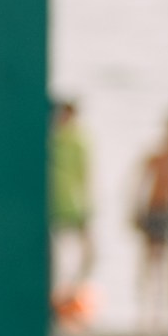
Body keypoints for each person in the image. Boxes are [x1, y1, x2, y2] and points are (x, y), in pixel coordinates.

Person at [50, 95, 96, 322]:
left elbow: (85, 174)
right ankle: (59, 295)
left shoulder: (78, 140)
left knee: (86, 254)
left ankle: (73, 292)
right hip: (54, 206)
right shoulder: (51, 139)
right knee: (58, 254)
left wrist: (89, 204)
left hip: (74, 204)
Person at [132, 121, 168, 331]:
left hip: (165, 210)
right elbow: (140, 184)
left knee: (164, 265)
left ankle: (162, 313)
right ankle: (148, 312)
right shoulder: (158, 156)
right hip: (157, 210)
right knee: (151, 262)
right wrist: (137, 209)